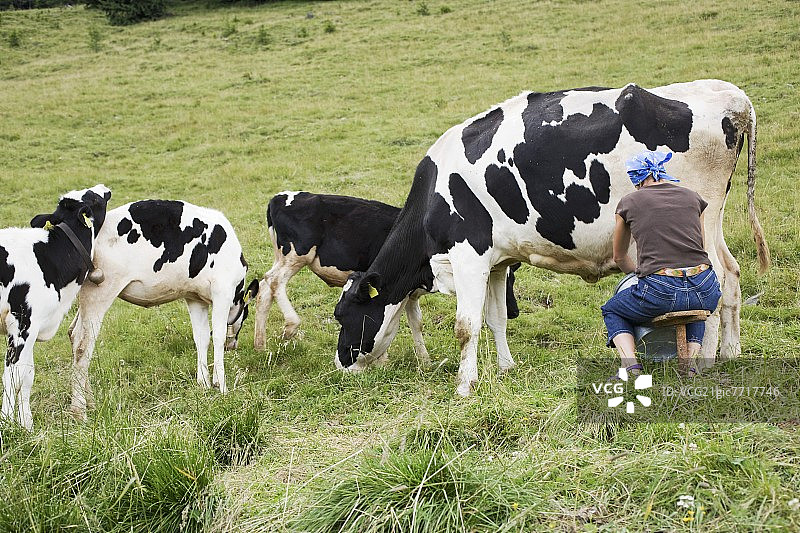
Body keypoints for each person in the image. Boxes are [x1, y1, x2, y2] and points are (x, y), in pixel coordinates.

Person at [601, 151, 722, 376]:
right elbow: (700, 250)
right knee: (696, 306)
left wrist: (636, 277)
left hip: (661, 290)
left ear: (638, 179)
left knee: (612, 310)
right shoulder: (695, 198)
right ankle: (689, 364)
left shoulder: (628, 202)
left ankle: (631, 367)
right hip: (706, 286)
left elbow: (619, 257)